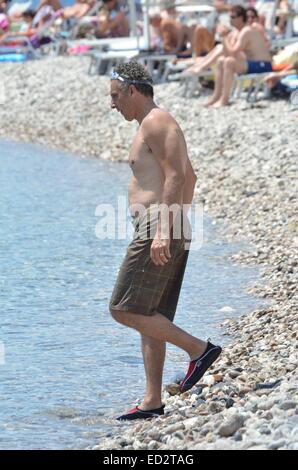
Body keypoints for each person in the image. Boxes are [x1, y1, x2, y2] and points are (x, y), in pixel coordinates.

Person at [109, 61, 222, 420]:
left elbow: (177, 177)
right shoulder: (149, 124)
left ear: (132, 90)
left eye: (115, 96)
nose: (113, 105)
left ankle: (199, 350)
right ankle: (152, 401)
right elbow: (192, 175)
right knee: (148, 314)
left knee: (122, 308)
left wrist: (163, 228)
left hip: (159, 227)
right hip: (165, 225)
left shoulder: (157, 121)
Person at [203, 4, 272, 107]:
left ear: (241, 18)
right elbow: (228, 53)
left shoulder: (246, 31)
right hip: (254, 63)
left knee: (229, 62)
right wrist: (225, 38)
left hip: (263, 65)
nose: (230, 20)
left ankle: (224, 99)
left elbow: (233, 53)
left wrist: (224, 37)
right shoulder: (238, 32)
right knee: (221, 60)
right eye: (229, 17)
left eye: (233, 17)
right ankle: (216, 96)